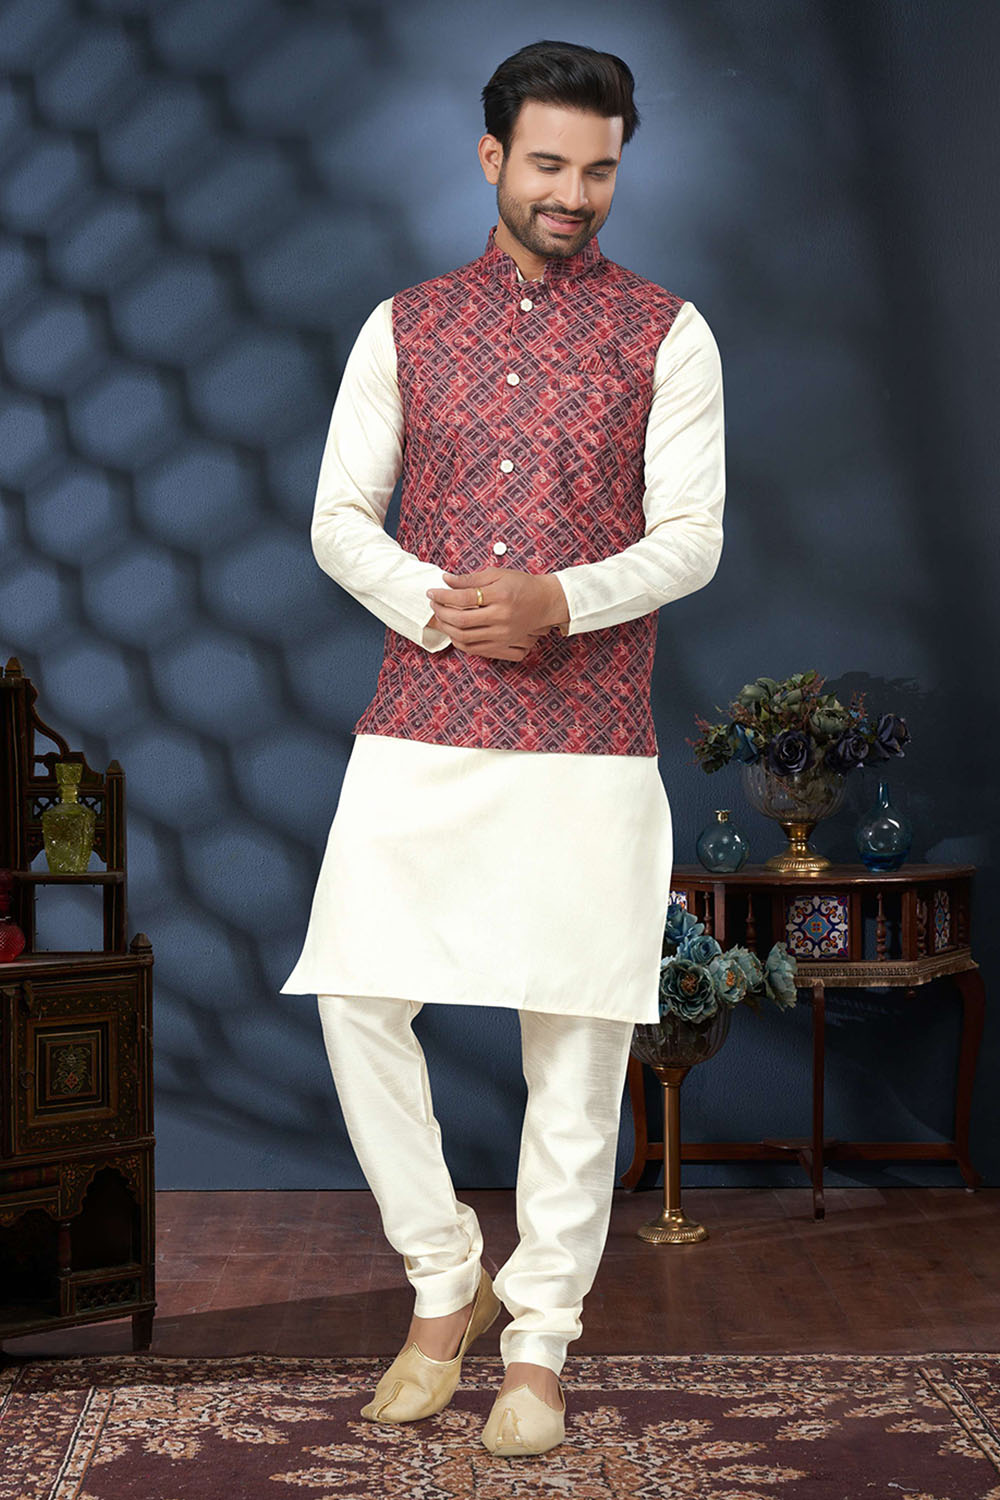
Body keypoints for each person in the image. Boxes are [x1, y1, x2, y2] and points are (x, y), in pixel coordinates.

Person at [280, 38, 726, 1457]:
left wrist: (560, 602)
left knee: (577, 1045)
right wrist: (445, 608)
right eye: (547, 164)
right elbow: (338, 518)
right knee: (358, 995)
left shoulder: (669, 332)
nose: (572, 194)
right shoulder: (404, 326)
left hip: (592, 739)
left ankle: (537, 1344)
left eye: (599, 169)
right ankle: (442, 1283)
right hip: (422, 721)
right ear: (492, 159)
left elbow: (691, 539)